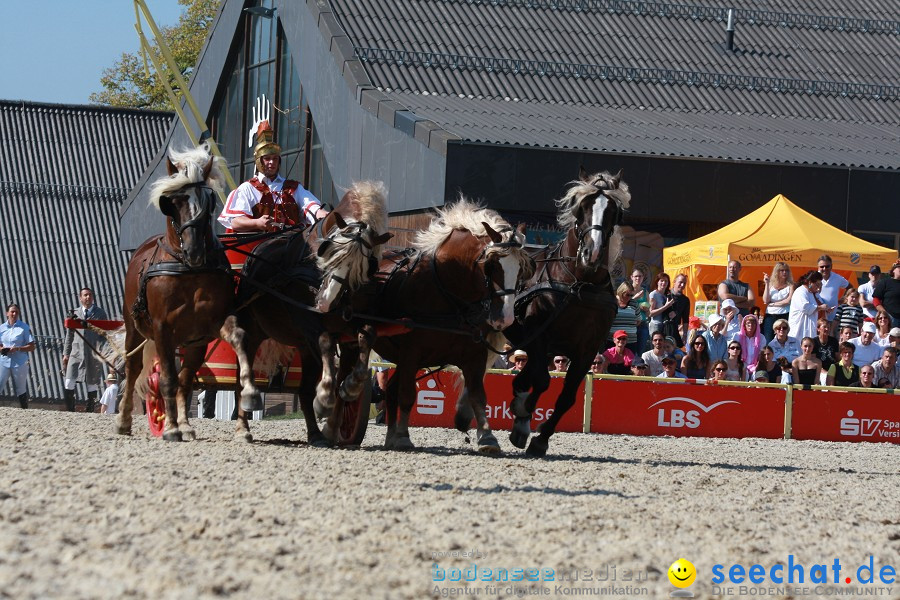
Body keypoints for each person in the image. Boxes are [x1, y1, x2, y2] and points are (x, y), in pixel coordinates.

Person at [218, 111, 328, 232]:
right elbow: (235, 221)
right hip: (258, 246)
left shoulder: (293, 187)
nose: (272, 162)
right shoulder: (247, 188)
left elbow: (309, 205)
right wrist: (257, 223)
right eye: (267, 159)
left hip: (291, 243)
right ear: (259, 161)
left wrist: (321, 214)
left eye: (275, 158)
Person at [62, 287, 109, 412]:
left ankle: (90, 409)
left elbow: (104, 335)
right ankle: (70, 410)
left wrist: (103, 351)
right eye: (85, 295)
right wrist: (66, 354)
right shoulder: (74, 313)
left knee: (92, 382)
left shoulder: (100, 314)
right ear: (80, 298)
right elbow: (69, 335)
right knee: (69, 381)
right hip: (76, 352)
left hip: (93, 353)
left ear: (92, 297)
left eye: (90, 295)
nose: (88, 297)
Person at [0, 303, 35, 409]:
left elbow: (32, 346)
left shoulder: (24, 327)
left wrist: (18, 348)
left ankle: (24, 410)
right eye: (12, 311)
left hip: (19, 362)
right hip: (4, 361)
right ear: (7, 313)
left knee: (21, 388)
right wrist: (2, 349)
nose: (14, 314)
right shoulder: (2, 328)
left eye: (16, 312)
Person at [788, 270, 828, 341]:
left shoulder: (814, 293)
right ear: (810, 282)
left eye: (820, 284)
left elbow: (820, 306)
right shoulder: (800, 292)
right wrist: (821, 307)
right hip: (800, 328)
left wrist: (826, 309)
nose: (818, 287)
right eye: (817, 284)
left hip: (811, 328)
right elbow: (805, 307)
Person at [761, 262, 794, 341]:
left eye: (786, 270)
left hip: (785, 314)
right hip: (770, 315)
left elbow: (788, 301)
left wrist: (773, 304)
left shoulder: (791, 285)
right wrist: (767, 283)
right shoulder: (770, 284)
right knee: (768, 339)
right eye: (781, 270)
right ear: (777, 272)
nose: (784, 272)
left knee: (783, 338)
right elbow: (766, 300)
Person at [816, 255, 848, 334]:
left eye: (827, 266)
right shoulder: (814, 278)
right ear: (818, 267)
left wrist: (843, 299)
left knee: (830, 338)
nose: (824, 269)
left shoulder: (837, 278)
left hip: (832, 317)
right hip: (817, 316)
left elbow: (849, 287)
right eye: (822, 266)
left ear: (831, 266)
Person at [609, 282, 639, 352]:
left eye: (631, 295)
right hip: (613, 340)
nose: (629, 297)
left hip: (630, 341)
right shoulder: (612, 302)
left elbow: (638, 320)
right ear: (621, 292)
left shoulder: (634, 303)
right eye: (627, 294)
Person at [628, 269, 651, 353]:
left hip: (642, 323)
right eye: (636, 276)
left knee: (641, 351)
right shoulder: (628, 290)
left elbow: (649, 314)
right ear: (631, 277)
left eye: (640, 276)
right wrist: (635, 298)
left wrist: (647, 309)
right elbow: (623, 304)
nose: (638, 278)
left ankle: (639, 366)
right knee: (630, 350)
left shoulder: (645, 292)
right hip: (630, 324)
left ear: (643, 278)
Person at [873, 261, 900, 328]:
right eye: (899, 267)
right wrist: (884, 313)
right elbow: (876, 299)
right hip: (891, 317)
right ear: (893, 270)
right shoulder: (885, 282)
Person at [666, 273, 691, 346]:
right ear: (674, 281)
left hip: (675, 329)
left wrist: (685, 335)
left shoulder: (685, 300)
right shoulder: (666, 294)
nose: (682, 285)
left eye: (684, 283)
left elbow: (685, 319)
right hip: (663, 328)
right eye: (680, 282)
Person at [648, 273, 674, 338]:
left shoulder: (667, 295)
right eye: (661, 280)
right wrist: (666, 306)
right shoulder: (653, 294)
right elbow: (650, 313)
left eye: (666, 281)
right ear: (657, 282)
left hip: (665, 325)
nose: (664, 283)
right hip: (656, 325)